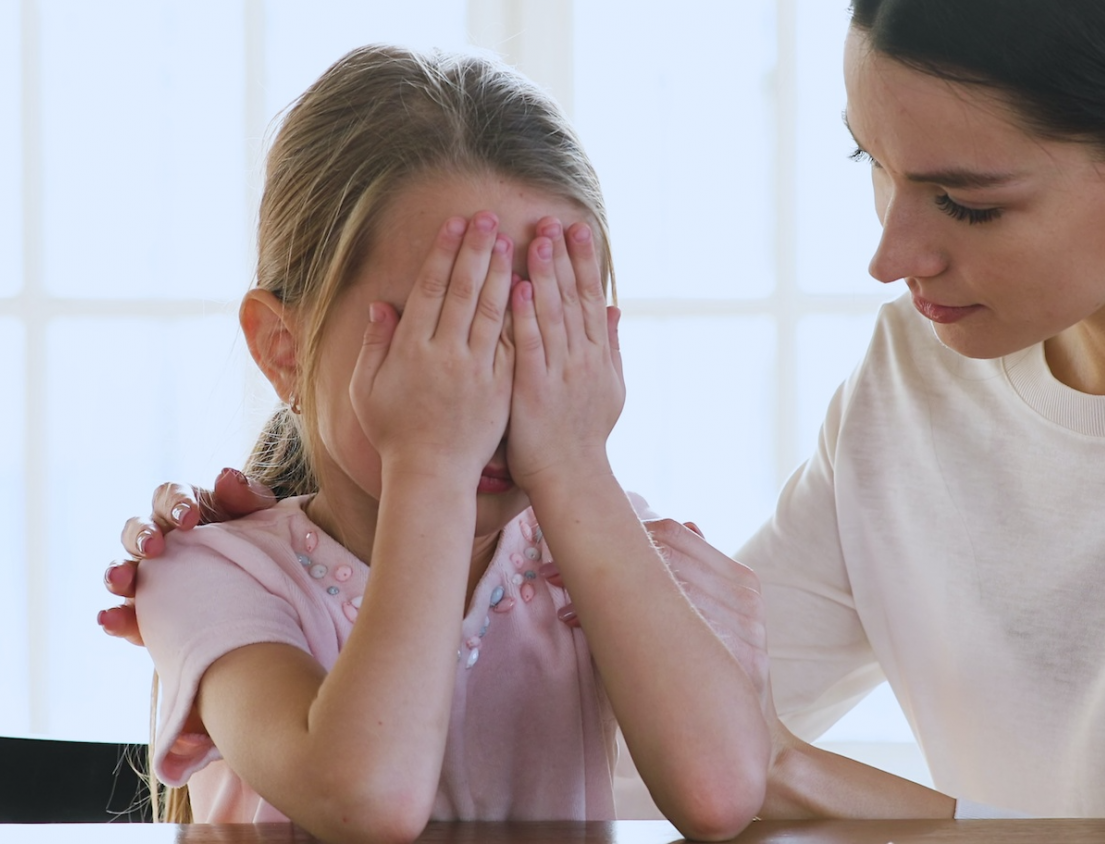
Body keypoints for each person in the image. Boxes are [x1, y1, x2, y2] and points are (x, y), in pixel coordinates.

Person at [103, 0, 1105, 821]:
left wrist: (799, 774)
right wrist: (334, 559)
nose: (890, 255)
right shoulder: (923, 375)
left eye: (967, 199)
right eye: (874, 168)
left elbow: (731, 769)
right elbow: (642, 757)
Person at [121, 45, 768, 843]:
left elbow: (721, 791)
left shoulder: (594, 543)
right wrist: (431, 462)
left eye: (541, 335)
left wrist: (575, 465)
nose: (487, 393)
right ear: (285, 348)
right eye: (444, 335)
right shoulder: (208, 572)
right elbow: (368, 801)